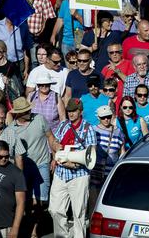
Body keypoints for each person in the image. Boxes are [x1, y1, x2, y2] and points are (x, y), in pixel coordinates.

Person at [50, 98, 97, 238]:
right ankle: (62, 235)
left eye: (74, 111)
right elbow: (54, 141)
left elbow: (91, 154)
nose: (71, 113)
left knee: (79, 213)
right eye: (69, 111)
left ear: (80, 111)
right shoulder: (63, 124)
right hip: (61, 173)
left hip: (79, 176)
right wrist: (56, 149)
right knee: (54, 209)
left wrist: (71, 162)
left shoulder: (88, 129)